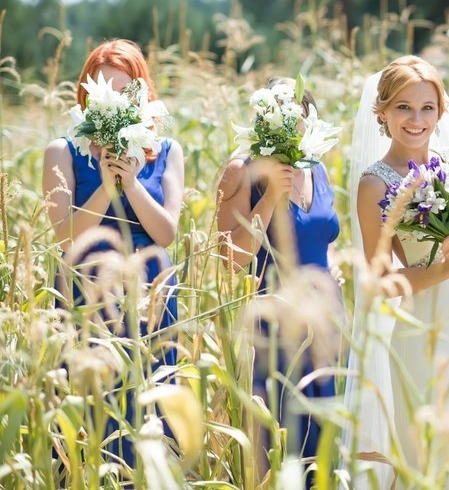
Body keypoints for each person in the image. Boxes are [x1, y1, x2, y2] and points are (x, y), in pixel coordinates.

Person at [343, 55, 449, 488]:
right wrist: (440, 271)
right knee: (428, 457)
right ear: (382, 112)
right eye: (404, 107)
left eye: (427, 108)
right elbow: (379, 282)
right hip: (422, 328)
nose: (417, 119)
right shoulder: (375, 183)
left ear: (440, 111)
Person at [42, 39, 183, 467]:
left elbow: (166, 232)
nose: (113, 101)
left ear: (141, 95)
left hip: (152, 292)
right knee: (92, 406)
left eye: (125, 91)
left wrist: (132, 183)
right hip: (88, 291)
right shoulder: (62, 152)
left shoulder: (167, 151)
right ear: (85, 95)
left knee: (150, 403)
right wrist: (106, 185)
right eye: (102, 90)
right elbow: (66, 238)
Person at [215, 77, 342, 482]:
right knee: (280, 439)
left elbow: (322, 233)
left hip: (326, 322)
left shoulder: (317, 169)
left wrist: (334, 262)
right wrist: (270, 196)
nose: (293, 127)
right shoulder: (242, 170)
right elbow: (230, 258)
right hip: (274, 326)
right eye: (282, 118)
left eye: (299, 117)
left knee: (325, 443)